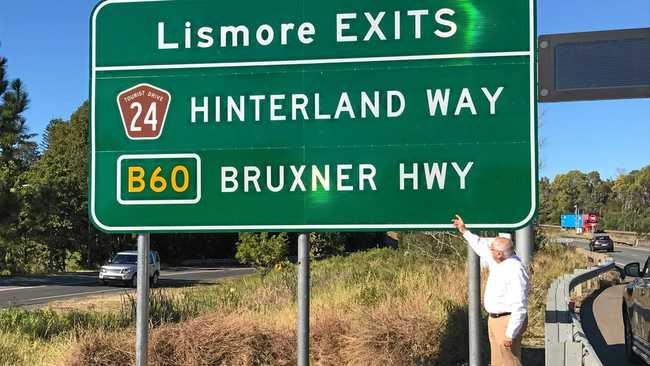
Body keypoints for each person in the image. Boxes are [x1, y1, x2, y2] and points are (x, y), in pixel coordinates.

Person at [452, 214, 529, 366]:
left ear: (499, 254)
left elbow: (520, 305)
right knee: (497, 362)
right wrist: (464, 231)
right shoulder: (499, 261)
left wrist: (510, 333)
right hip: (494, 320)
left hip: (506, 322)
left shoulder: (515, 269)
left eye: (492, 249)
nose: (490, 250)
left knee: (509, 362)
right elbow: (480, 246)